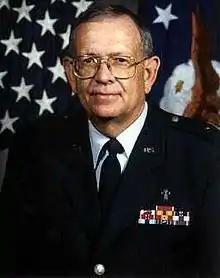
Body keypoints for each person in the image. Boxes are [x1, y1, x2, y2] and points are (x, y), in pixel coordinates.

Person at [0, 3, 220, 277]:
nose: (103, 77)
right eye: (89, 61)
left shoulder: (204, 155)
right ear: (70, 72)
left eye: (120, 61)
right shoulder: (34, 149)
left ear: (149, 73)